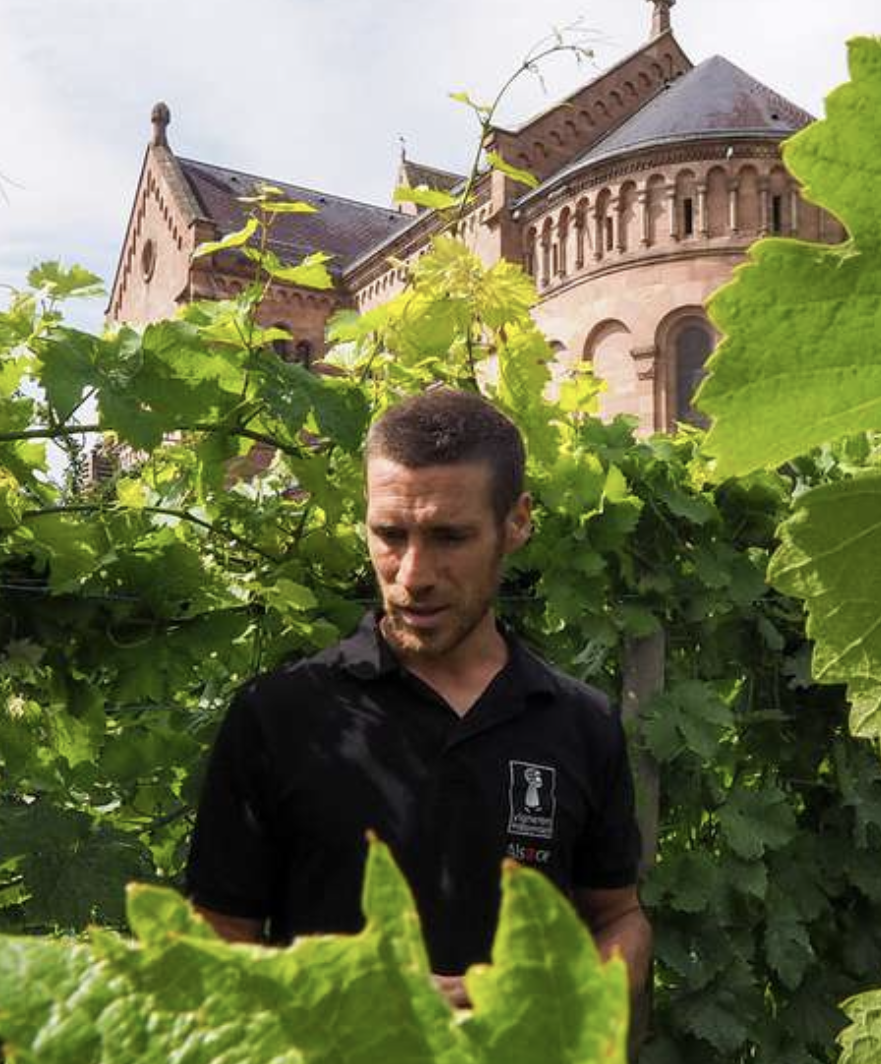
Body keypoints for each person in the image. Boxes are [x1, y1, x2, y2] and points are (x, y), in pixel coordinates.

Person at [183, 387, 651, 1009]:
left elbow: (618, 916)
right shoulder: (281, 717)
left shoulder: (581, 724)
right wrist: (359, 1006)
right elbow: (217, 940)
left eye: (450, 537)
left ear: (516, 523)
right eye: (390, 534)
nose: (412, 575)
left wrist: (545, 1003)